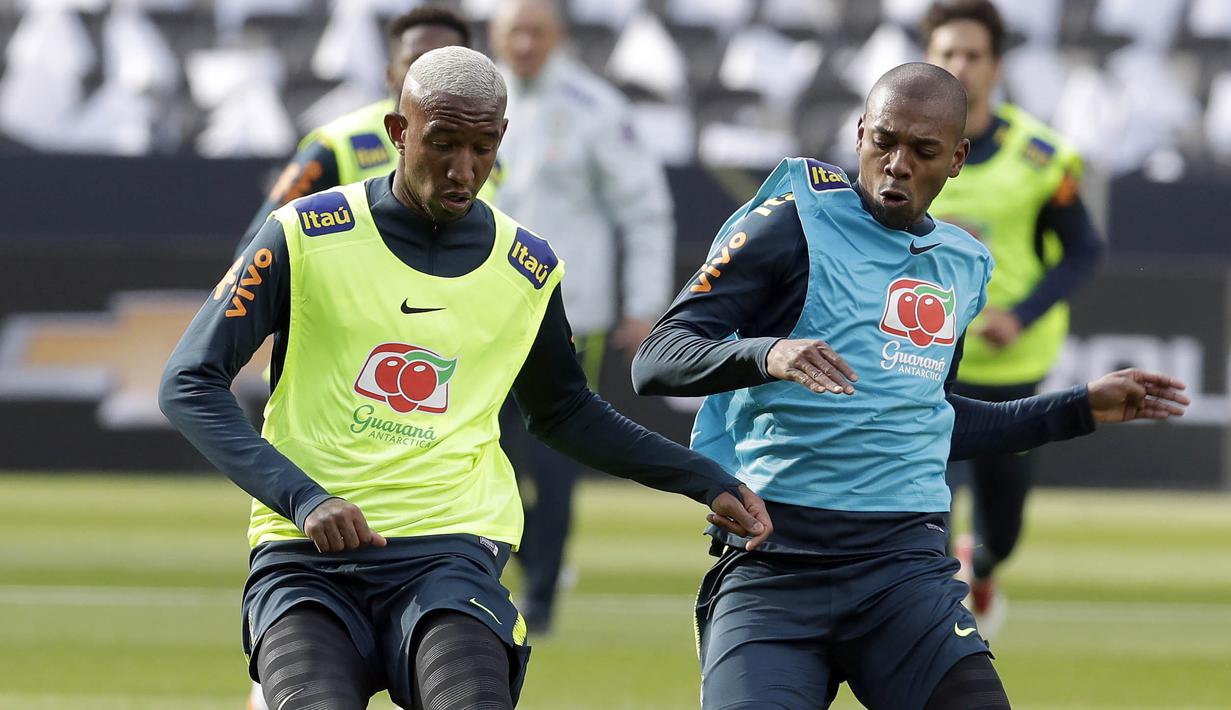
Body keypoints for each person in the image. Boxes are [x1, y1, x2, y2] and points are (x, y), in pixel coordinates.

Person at [160, 46, 771, 710]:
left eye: (482, 148)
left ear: (501, 138)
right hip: (306, 557)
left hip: (449, 554)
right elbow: (189, 381)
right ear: (399, 131)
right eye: (442, 143)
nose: (463, 169)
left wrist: (703, 478)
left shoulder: (527, 267)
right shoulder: (302, 234)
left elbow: (565, 413)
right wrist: (303, 499)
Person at [632, 63, 1188, 709]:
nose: (896, 165)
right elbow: (657, 358)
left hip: (902, 573)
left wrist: (1078, 408)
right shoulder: (789, 223)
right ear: (859, 133)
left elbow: (930, 417)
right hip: (772, 565)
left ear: (956, 159)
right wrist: (767, 353)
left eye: (922, 151)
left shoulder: (961, 264)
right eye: (883, 141)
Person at [488, 0, 677, 632]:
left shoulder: (596, 109)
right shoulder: (475, 100)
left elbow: (644, 211)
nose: (524, 44)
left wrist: (643, 304)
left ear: (560, 36)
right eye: (514, 31)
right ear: (495, 34)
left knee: (554, 455)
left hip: (571, 314)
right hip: (482, 310)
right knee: (482, 452)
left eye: (536, 32)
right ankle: (519, 558)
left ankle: (541, 594)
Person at [921, 0, 1106, 638]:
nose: (960, 66)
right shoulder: (898, 150)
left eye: (973, 55)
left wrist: (1021, 317)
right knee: (923, 516)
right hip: (918, 365)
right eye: (947, 53)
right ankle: (932, 630)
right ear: (928, 59)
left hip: (1009, 371)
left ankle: (985, 564)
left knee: (1002, 527)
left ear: (996, 67)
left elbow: (1084, 250)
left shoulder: (1039, 157)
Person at [235, 4, 496, 257]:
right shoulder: (338, 144)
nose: (433, 76)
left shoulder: (493, 152)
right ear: (390, 74)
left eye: (446, 65)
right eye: (416, 62)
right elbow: (258, 247)